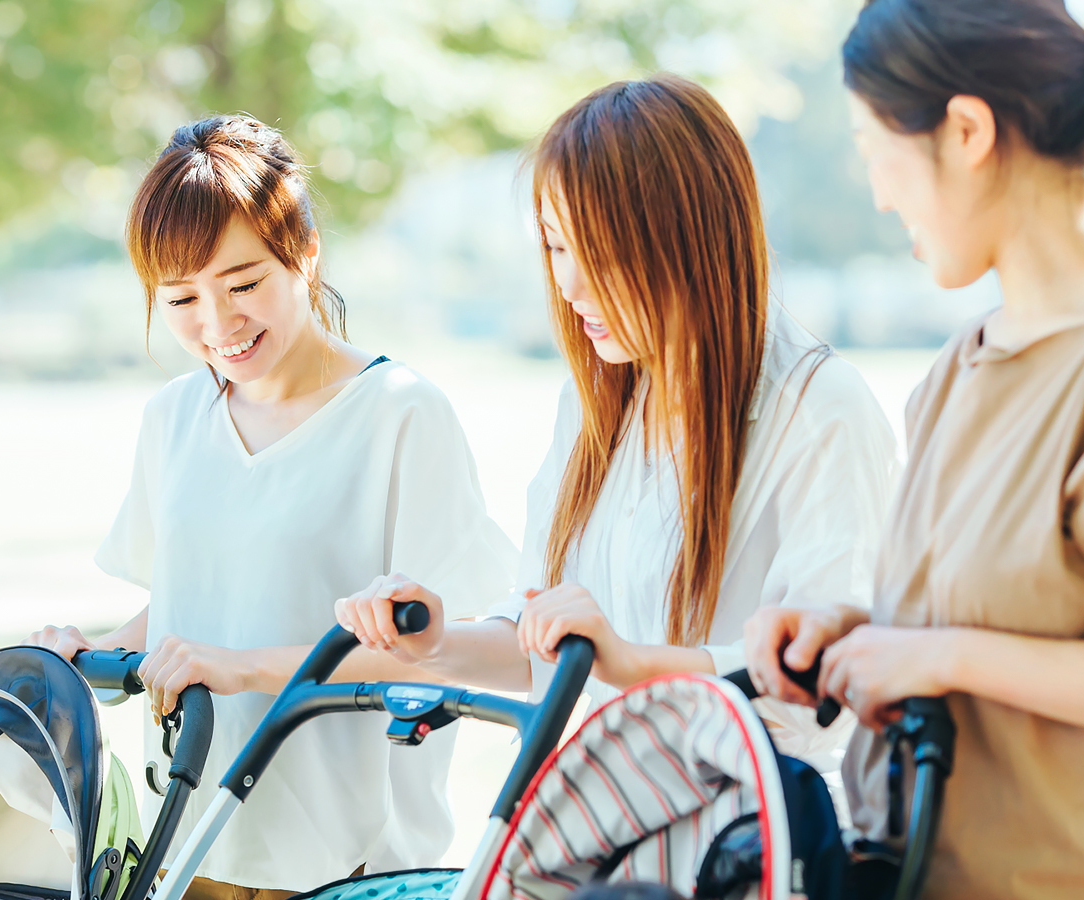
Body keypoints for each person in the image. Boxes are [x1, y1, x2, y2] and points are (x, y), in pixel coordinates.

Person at [742, 3, 1084, 898]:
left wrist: (940, 658)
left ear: (966, 130)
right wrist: (862, 636)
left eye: (879, 153)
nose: (878, 193)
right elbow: (1008, 621)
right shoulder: (960, 366)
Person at [337, 75, 899, 773]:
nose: (569, 287)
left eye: (597, 252)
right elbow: (546, 644)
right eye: (555, 247)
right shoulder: (597, 397)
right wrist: (433, 639)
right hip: (596, 832)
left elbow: (822, 692)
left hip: (741, 846)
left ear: (689, 238)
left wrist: (633, 665)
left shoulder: (818, 410)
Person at [24, 115, 517, 899]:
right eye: (181, 298)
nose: (217, 325)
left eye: (244, 283)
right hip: (188, 844)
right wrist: (80, 659)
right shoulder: (173, 419)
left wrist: (243, 669)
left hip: (348, 861)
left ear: (307, 253)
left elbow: (437, 648)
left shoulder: (400, 414)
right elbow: (188, 600)